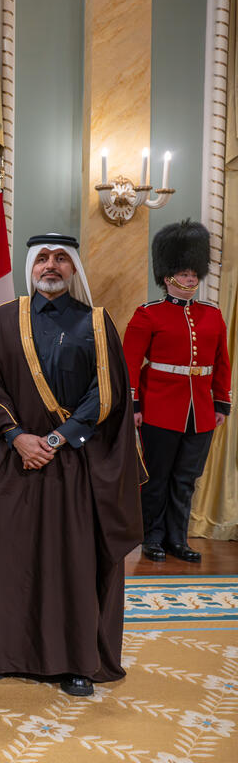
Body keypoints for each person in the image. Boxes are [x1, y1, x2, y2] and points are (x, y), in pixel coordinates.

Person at [0, 233, 142, 698]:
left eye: (62, 258)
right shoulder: (2, 321)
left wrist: (58, 438)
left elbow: (107, 394)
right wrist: (17, 437)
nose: (52, 266)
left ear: (75, 267)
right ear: (31, 266)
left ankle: (76, 661)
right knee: (7, 559)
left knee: (72, 564)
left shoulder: (97, 323)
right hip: (12, 461)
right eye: (43, 258)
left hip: (73, 466)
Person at [124, 220, 230, 563]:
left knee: (186, 480)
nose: (190, 279)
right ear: (168, 275)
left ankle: (176, 538)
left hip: (200, 411)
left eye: (194, 273)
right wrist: (135, 405)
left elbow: (221, 364)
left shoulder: (213, 315)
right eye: (183, 273)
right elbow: (130, 364)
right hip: (158, 408)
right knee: (156, 479)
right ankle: (151, 537)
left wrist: (221, 404)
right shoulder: (148, 314)